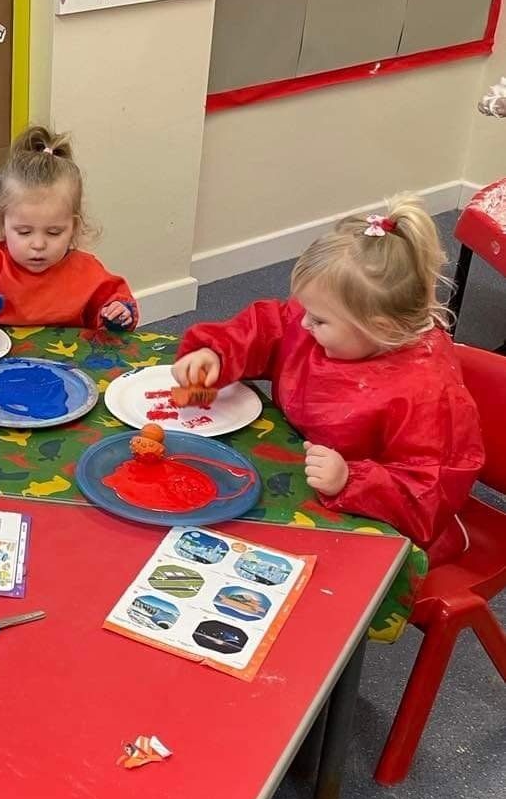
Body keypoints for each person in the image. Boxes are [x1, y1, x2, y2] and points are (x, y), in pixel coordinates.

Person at [172, 197, 483, 563]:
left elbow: (426, 492)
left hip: (373, 518)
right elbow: (270, 327)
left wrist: (350, 479)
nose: (304, 323)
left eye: (318, 320)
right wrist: (216, 352)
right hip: (302, 468)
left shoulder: (427, 394)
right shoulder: (330, 321)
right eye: (306, 310)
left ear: (380, 328)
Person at [0, 126, 138, 328]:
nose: (38, 244)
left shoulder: (86, 270)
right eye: (24, 232)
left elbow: (114, 300)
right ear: (2, 223)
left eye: (54, 232)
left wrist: (118, 312)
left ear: (74, 227)